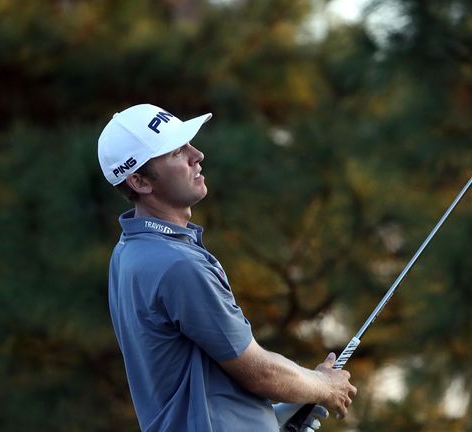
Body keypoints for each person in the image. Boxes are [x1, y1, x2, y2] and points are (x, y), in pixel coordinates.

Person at [98, 104, 357, 431]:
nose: (198, 154)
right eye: (177, 151)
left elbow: (193, 378)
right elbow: (258, 371)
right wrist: (323, 385)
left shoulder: (130, 251)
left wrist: (267, 419)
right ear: (139, 181)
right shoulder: (177, 264)